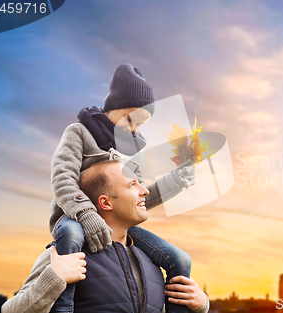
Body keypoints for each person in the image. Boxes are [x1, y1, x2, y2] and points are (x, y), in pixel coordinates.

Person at [49, 63, 195, 312]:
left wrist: (175, 181)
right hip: (74, 215)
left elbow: (137, 196)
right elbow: (62, 177)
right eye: (131, 119)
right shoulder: (80, 133)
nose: (134, 129)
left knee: (179, 259)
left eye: (141, 124)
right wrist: (86, 214)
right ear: (113, 107)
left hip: (118, 223)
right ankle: (63, 307)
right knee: (71, 236)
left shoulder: (133, 150)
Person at [2, 160, 209, 313]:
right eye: (132, 185)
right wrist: (54, 279)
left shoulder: (152, 260)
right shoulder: (65, 256)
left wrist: (201, 305)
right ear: (106, 203)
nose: (145, 191)